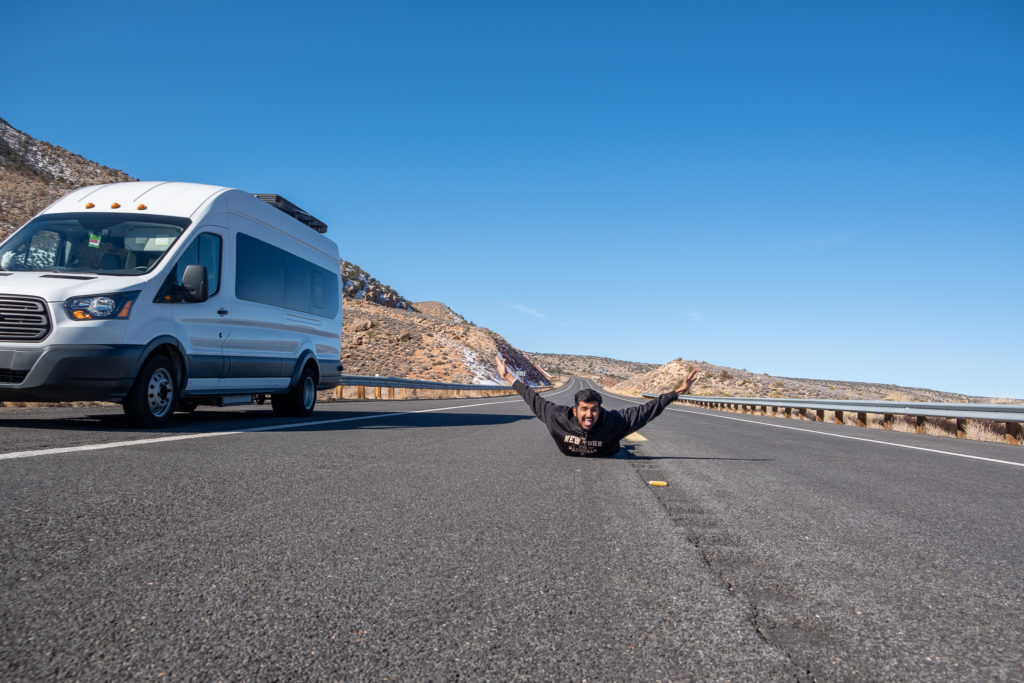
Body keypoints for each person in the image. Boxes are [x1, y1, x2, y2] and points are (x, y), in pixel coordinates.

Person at [495, 355, 699, 457]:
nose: (589, 414)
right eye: (584, 409)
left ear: (600, 409)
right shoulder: (557, 416)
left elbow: (649, 409)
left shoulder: (616, 421)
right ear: (575, 410)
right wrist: (508, 376)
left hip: (610, 450)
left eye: (593, 409)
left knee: (624, 445)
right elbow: (532, 397)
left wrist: (678, 391)